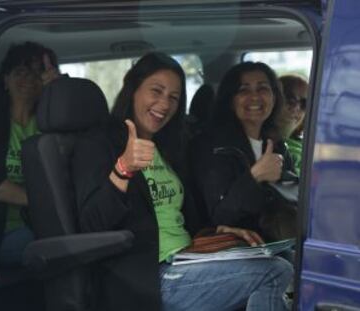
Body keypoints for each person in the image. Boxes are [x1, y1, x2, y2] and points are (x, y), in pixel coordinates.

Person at [72, 53, 293, 311]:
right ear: (133, 89)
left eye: (173, 97)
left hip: (189, 258)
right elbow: (91, 225)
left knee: (283, 258)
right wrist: (123, 169)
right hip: (148, 275)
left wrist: (218, 231)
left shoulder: (168, 148)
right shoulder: (98, 144)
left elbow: (182, 216)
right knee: (274, 271)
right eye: (156, 91)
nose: (164, 104)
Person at [189, 61, 296, 242]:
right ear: (230, 100)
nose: (255, 97)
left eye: (262, 88)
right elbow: (219, 217)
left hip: (273, 241)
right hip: (231, 245)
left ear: (275, 97)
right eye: (243, 90)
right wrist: (254, 177)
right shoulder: (211, 147)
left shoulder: (278, 146)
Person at [0, 41, 59, 268]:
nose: (29, 79)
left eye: (37, 73)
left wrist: (58, 90)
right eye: (20, 72)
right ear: (5, 79)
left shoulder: (52, 121)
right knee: (57, 246)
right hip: (0, 231)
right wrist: (46, 202)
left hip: (45, 224)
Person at [276, 75, 308, 176]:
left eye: (304, 103)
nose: (296, 107)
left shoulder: (308, 147)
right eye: (289, 98)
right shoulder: (259, 143)